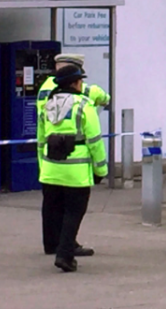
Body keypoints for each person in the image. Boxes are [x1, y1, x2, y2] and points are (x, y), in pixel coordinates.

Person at [37, 64, 108, 272]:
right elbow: (95, 141)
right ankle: (65, 254)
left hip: (51, 168)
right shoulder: (84, 105)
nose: (82, 84)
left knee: (56, 210)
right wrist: (101, 171)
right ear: (75, 83)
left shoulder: (47, 106)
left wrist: (42, 167)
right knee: (74, 212)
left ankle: (56, 246)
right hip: (75, 172)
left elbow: (41, 141)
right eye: (81, 81)